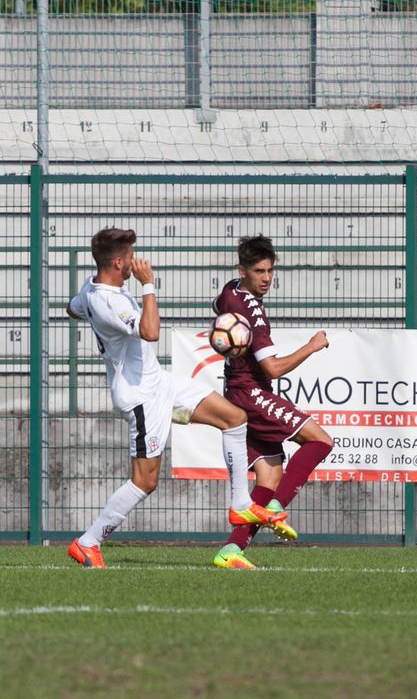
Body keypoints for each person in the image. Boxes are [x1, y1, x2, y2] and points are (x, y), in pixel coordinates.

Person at [66, 228, 286, 569]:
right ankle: (88, 542)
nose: (136, 263)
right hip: (140, 398)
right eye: (131, 257)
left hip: (160, 383)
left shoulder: (90, 290)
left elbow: (71, 308)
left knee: (235, 418)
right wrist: (148, 285)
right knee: (145, 481)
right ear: (118, 262)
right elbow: (150, 332)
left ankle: (240, 502)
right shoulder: (105, 300)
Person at [211, 235, 334, 569]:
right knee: (321, 440)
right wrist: (312, 345)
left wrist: (229, 339)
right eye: (259, 271)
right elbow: (273, 368)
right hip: (251, 393)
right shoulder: (252, 313)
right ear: (243, 270)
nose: (266, 278)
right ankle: (277, 508)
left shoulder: (231, 290)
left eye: (270, 271)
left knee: (269, 477)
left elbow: (218, 307)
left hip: (237, 390)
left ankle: (231, 551)